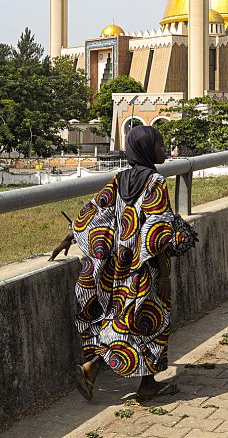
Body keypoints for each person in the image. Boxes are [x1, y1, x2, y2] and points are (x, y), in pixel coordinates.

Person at [52, 126, 196, 401]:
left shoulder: (120, 180)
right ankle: (134, 380)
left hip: (118, 267)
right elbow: (158, 234)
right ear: (145, 149)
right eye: (159, 145)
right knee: (150, 322)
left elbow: (94, 211)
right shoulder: (155, 182)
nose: (164, 150)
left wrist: (70, 236)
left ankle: (99, 369)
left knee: (123, 317)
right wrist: (165, 275)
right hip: (145, 267)